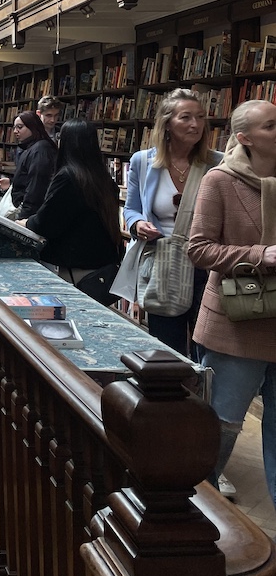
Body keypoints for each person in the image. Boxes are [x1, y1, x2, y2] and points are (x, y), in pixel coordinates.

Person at [188, 100, 276, 507]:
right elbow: (200, 249)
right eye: (271, 126)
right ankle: (198, 508)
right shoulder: (219, 180)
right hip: (238, 325)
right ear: (245, 138)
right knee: (223, 424)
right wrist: (261, 256)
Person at [120, 88, 221, 357]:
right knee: (167, 348)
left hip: (207, 267)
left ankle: (205, 397)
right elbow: (131, 209)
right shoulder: (143, 162)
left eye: (200, 117)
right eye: (185, 117)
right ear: (167, 124)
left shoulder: (218, 164)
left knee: (208, 348)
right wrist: (137, 224)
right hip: (163, 265)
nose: (195, 124)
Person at [23, 119, 122, 287]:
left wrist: (25, 222)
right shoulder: (104, 178)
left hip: (74, 268)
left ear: (66, 142)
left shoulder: (69, 178)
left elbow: (47, 223)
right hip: (102, 266)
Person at [7, 111, 56, 219]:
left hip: (30, 214)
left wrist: (24, 217)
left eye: (20, 127)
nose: (15, 131)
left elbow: (36, 187)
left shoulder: (40, 150)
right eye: (14, 127)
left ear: (33, 127)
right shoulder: (31, 148)